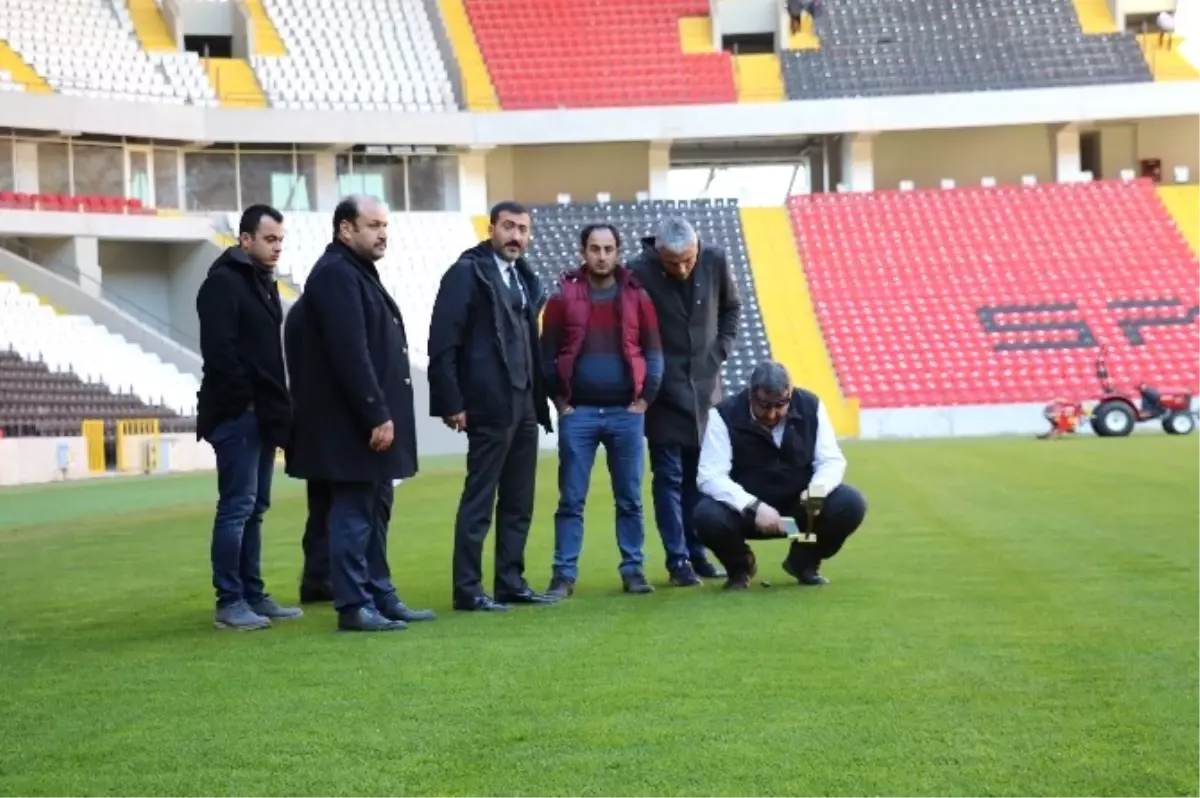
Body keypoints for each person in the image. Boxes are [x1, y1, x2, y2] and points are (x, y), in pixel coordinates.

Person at [285, 195, 434, 632]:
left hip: (363, 420)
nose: (382, 233)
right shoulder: (335, 274)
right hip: (353, 424)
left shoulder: (354, 272)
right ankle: (353, 604)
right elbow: (349, 351)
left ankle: (379, 592)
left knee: (375, 507)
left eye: (385, 225)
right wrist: (375, 412)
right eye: (372, 225)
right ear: (345, 229)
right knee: (353, 512)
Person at [428, 200, 556, 612]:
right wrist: (452, 401)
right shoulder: (466, 274)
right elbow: (443, 342)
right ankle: (467, 589)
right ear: (491, 229)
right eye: (508, 227)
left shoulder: (524, 278)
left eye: (522, 228)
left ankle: (509, 582)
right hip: (488, 403)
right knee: (480, 500)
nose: (516, 235)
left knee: (519, 501)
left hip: (524, 403)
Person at [540, 224, 665, 598]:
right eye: (595, 248)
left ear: (618, 250)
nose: (602, 256)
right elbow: (546, 354)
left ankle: (633, 570)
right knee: (571, 500)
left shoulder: (637, 296)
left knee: (630, 498)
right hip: (578, 414)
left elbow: (654, 352)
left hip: (626, 414)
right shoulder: (563, 296)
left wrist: (644, 401)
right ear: (583, 250)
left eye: (608, 248)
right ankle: (564, 575)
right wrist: (561, 404)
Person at [196, 204, 302, 631]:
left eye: (280, 240)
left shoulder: (262, 282)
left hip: (261, 414)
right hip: (238, 414)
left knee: (254, 507)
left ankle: (253, 594)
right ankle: (231, 600)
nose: (277, 247)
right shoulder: (222, 284)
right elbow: (220, 353)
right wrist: (246, 402)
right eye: (269, 239)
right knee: (237, 507)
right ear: (245, 240)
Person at [628, 216, 742, 587]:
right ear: (657, 253)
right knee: (669, 478)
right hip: (662, 391)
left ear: (698, 249)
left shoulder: (716, 260)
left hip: (706, 390)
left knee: (701, 478)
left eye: (687, 260)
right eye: (671, 262)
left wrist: (720, 351)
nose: (680, 268)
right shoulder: (637, 272)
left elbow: (732, 309)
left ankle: (698, 552)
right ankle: (677, 561)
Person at [694, 360, 867, 590]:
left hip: (800, 513)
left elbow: (831, 461)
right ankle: (740, 567)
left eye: (781, 405)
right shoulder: (723, 415)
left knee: (851, 503)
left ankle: (804, 561)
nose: (773, 413)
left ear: (790, 394)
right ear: (751, 396)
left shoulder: (811, 406)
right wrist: (754, 506)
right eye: (765, 406)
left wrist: (817, 492)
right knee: (705, 515)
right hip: (748, 516)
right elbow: (710, 476)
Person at [283, 297, 333, 604]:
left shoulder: (299, 312)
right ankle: (328, 576)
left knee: (320, 506)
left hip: (307, 420)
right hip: (331, 423)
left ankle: (317, 577)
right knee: (342, 506)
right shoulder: (326, 309)